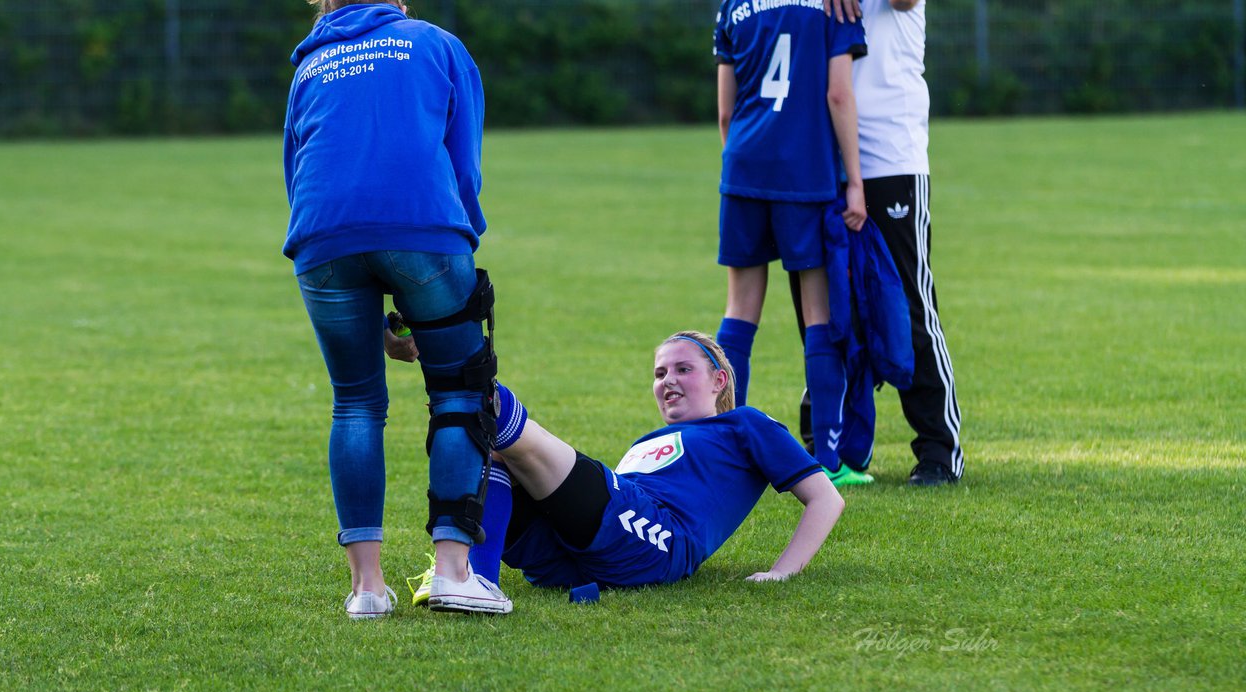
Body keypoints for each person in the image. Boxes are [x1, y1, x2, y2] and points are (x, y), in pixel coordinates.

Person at [283, 0, 511, 619]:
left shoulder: (310, 63)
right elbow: (462, 166)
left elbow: (298, 171)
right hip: (424, 233)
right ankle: (453, 572)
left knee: (355, 401)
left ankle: (366, 591)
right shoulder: (435, 43)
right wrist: (453, 252)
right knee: (461, 390)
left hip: (322, 241)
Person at [400, 331, 844, 599]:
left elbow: (826, 498)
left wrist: (782, 572)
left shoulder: (743, 424)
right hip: (580, 556)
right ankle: (476, 579)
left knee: (484, 412)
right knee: (481, 442)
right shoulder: (646, 441)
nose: (668, 379)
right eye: (659, 373)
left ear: (720, 380)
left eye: (682, 369)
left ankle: (446, 349)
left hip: (659, 540)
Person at [796, 0, 964, 486]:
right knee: (823, 314)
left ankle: (938, 450)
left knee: (909, 307)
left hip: (891, 158)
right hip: (823, 161)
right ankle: (828, 441)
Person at [712, 0, 872, 489]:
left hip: (743, 168)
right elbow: (839, 95)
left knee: (740, 312)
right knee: (817, 311)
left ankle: (724, 446)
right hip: (806, 173)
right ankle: (827, 458)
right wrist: (855, 182)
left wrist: (742, 163)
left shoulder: (733, 7)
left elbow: (724, 111)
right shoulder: (833, 6)